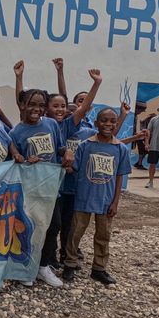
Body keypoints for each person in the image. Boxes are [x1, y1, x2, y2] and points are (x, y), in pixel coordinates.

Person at [62, 107, 132, 286]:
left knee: (103, 235)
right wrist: (64, 163)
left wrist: (115, 202)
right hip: (84, 198)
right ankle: (69, 263)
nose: (108, 124)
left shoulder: (120, 148)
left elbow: (119, 176)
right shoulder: (86, 145)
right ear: (96, 123)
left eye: (112, 121)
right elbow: (73, 168)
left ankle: (99, 268)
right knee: (75, 232)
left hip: (106, 201)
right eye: (104, 120)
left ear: (116, 124)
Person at [8, 88, 70, 287]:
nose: (37, 109)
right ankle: (25, 267)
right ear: (23, 105)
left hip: (52, 189)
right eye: (32, 104)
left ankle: (43, 266)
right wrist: (26, 161)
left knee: (53, 226)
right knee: (30, 228)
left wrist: (67, 152)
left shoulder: (51, 124)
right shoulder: (16, 132)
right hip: (30, 190)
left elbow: (59, 147)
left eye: (41, 105)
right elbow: (15, 164)